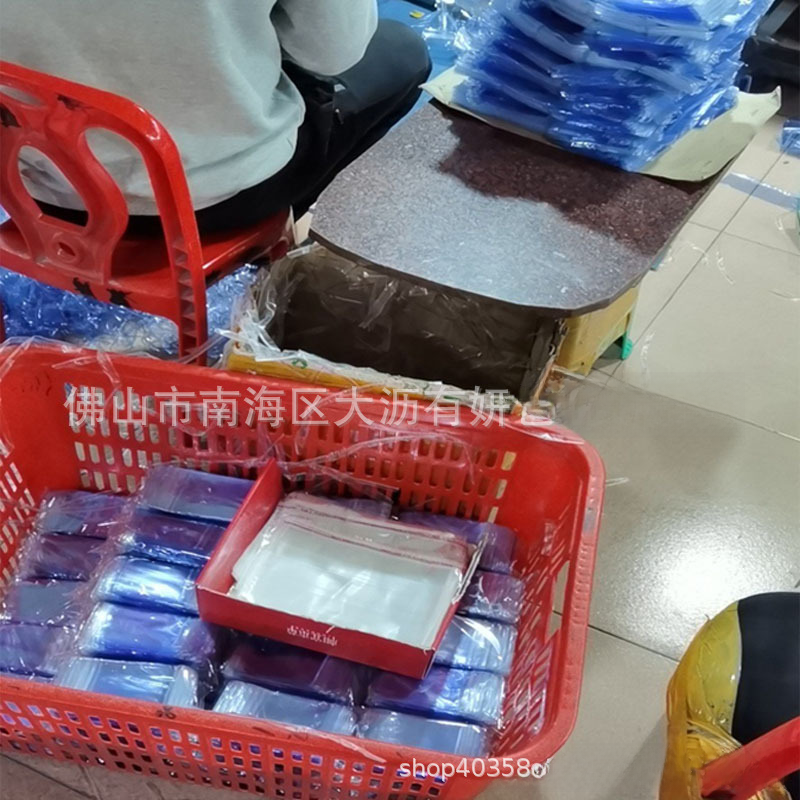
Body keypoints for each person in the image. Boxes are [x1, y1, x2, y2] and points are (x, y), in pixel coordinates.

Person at [1, 1, 431, 233]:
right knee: (404, 52)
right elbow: (331, 52)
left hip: (35, 185)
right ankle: (277, 237)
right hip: (215, 202)